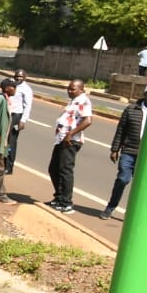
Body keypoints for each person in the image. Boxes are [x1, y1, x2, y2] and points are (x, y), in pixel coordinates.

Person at [102, 86, 147, 220]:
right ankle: (110, 207)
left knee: (140, 186)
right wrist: (115, 149)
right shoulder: (131, 109)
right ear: (145, 94)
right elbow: (121, 130)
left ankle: (133, 213)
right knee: (123, 179)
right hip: (129, 151)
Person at [46, 78, 93, 214]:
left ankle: (66, 203)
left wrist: (71, 134)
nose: (69, 91)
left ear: (81, 89)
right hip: (61, 139)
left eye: (73, 89)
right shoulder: (74, 101)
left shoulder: (84, 101)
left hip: (70, 141)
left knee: (65, 171)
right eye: (69, 88)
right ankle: (59, 198)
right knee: (54, 169)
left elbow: (88, 120)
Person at [6, 69, 33, 176]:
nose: (18, 78)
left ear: (25, 77)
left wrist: (23, 120)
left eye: (21, 77)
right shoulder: (11, 84)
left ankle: (9, 166)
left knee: (11, 141)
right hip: (8, 114)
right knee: (4, 139)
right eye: (17, 76)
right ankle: (1, 163)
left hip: (16, 116)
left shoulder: (26, 89)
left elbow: (28, 106)